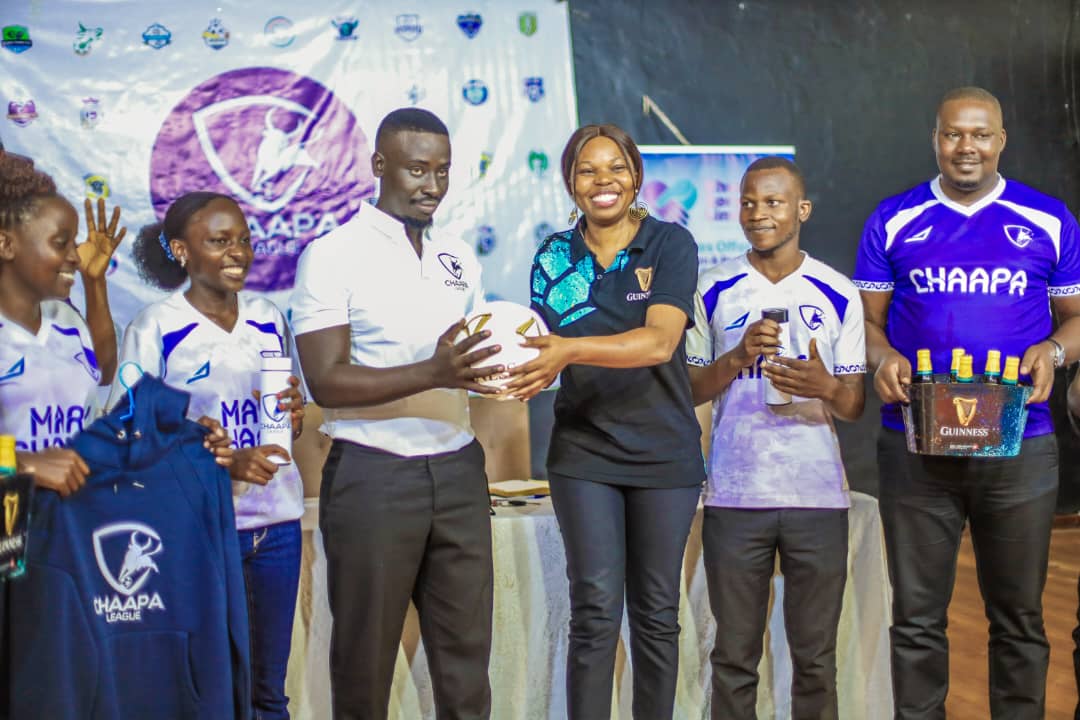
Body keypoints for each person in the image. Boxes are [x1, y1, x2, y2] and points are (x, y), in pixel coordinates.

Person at [854, 86, 1080, 719]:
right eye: (953, 133)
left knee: (1019, 618)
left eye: (980, 134)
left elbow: (1076, 318)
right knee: (917, 619)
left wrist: (1053, 352)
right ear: (936, 139)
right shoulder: (893, 218)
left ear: (1001, 140)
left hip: (1021, 443)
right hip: (916, 444)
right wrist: (882, 357)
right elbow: (864, 323)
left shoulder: (1047, 218)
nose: (966, 146)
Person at [290, 108, 501, 720]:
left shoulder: (458, 255)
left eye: (443, 171)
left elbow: (472, 355)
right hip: (373, 472)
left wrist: (517, 365)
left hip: (458, 470)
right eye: (417, 169)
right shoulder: (332, 254)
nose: (432, 185)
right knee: (365, 666)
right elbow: (325, 380)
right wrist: (433, 372)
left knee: (466, 668)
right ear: (380, 165)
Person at [504, 123, 703, 720]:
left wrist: (568, 351)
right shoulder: (553, 256)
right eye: (587, 170)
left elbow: (659, 342)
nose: (603, 181)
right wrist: (507, 370)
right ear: (571, 183)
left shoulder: (669, 243)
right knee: (593, 610)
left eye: (615, 167)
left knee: (656, 612)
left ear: (635, 176)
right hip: (584, 453)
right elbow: (537, 346)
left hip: (664, 454)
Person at [104, 191, 304, 720]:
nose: (238, 252)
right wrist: (220, 458)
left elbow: (288, 416)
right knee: (208, 694)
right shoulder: (155, 327)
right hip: (201, 532)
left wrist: (295, 412)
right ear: (181, 250)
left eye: (244, 240)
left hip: (278, 525)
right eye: (219, 241)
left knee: (269, 693)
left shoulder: (267, 316)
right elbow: (128, 434)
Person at [686, 157, 865, 719]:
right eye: (748, 202)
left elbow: (854, 404)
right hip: (736, 495)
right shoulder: (713, 288)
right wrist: (738, 357)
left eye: (772, 202)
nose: (757, 213)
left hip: (817, 496)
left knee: (814, 659)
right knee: (735, 657)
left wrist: (824, 386)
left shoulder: (837, 291)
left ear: (801, 210)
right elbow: (690, 388)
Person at [0, 151, 128, 492]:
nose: (75, 256)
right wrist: (24, 463)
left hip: (72, 518)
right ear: (6, 244)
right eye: (61, 243)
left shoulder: (65, 318)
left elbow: (102, 372)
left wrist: (94, 281)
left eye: (74, 242)